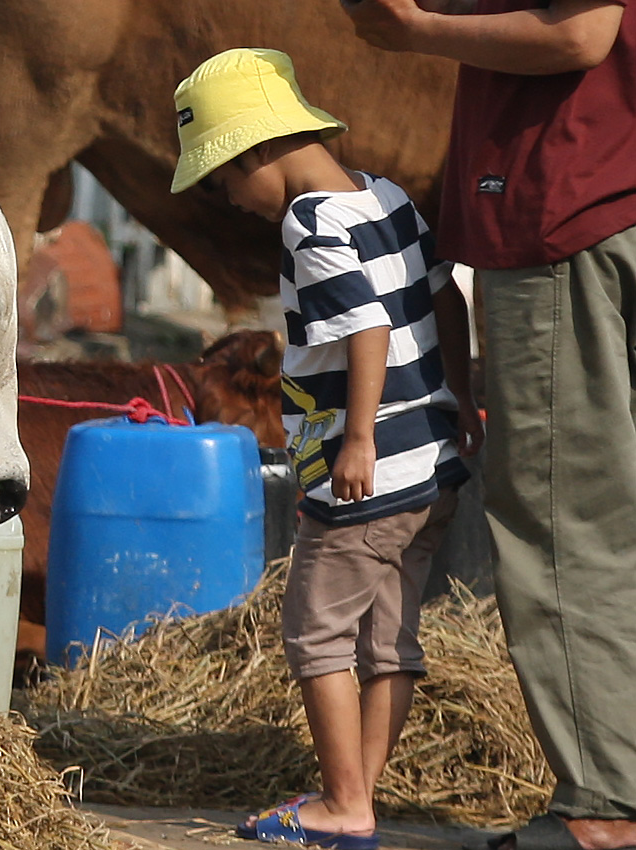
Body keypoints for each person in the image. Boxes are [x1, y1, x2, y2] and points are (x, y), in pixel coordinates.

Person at [170, 48, 484, 849]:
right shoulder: (384, 196)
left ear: (255, 151)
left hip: (365, 481)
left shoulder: (311, 224)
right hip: (430, 464)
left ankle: (343, 804)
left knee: (314, 632)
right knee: (390, 641)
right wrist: (456, 399)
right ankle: (359, 796)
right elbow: (442, 293)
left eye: (224, 181)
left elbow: (367, 330)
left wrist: (357, 440)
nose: (234, 203)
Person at [341, 2, 636, 849]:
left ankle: (605, 810)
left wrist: (413, 28)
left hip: (574, 197)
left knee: (566, 518)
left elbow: (581, 32)